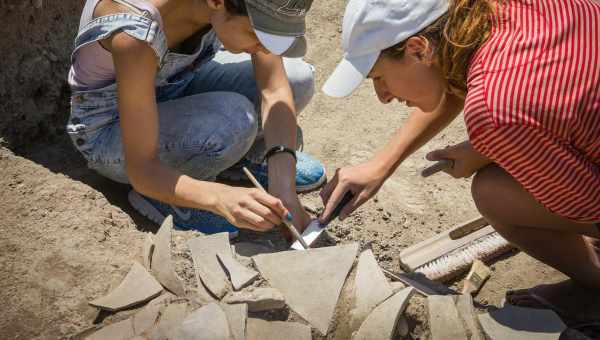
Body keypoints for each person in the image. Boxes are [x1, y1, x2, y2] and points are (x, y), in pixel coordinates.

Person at [321, 0, 600, 326]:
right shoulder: (487, 15)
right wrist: (381, 165)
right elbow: (456, 79)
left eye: (379, 77)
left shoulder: (496, 112)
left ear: (417, 49)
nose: (382, 96)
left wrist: (495, 145)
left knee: (492, 193)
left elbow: (589, 205)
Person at [66, 0, 326, 237]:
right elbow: (143, 169)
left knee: (296, 81)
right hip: (112, 131)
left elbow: (275, 88)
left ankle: (236, 161)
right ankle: (166, 198)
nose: (266, 48)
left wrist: (284, 189)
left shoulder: (223, 8)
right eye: (257, 35)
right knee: (235, 120)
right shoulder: (134, 34)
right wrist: (219, 198)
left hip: (176, 86)